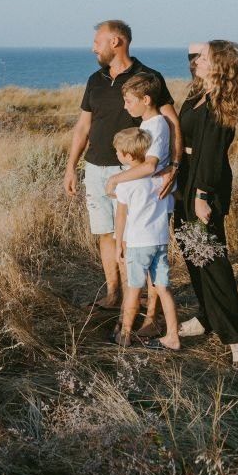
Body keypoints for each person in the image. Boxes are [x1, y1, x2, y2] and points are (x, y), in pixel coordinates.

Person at [64, 20, 181, 312]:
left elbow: (171, 122)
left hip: (131, 173)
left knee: (132, 238)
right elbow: (83, 126)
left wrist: (175, 165)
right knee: (106, 234)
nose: (93, 48)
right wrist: (71, 166)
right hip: (95, 169)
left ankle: (138, 303)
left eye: (97, 42)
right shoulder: (95, 80)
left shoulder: (147, 77)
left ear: (116, 41)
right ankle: (113, 295)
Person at [174, 40, 238, 371]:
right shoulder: (198, 95)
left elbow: (211, 154)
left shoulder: (221, 102)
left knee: (210, 260)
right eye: (195, 57)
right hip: (186, 180)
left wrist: (202, 195)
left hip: (203, 186)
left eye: (204, 57)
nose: (195, 60)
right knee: (192, 254)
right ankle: (207, 316)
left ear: (220, 65)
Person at [105, 71, 174, 338]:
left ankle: (143, 323)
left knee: (143, 278)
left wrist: (116, 179)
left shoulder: (156, 126)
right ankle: (149, 322)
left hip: (147, 215)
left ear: (146, 100)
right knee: (155, 275)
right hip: (151, 216)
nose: (126, 107)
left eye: (129, 101)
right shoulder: (148, 124)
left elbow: (150, 165)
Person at [110, 127, 181, 351]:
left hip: (138, 243)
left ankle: (125, 335)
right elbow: (174, 192)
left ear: (127, 156)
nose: (116, 154)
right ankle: (173, 335)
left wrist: (118, 244)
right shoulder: (161, 176)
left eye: (118, 151)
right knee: (163, 288)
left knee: (133, 289)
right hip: (159, 240)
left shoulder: (126, 183)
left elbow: (121, 216)